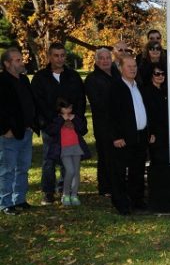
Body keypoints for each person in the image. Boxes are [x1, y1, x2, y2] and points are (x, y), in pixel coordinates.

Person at [31, 42, 87, 205]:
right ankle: (48, 192)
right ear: (49, 56)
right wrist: (54, 121)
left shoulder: (73, 76)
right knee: (49, 160)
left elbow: (80, 100)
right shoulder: (41, 78)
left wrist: (73, 120)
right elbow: (38, 103)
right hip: (51, 126)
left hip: (70, 125)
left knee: (67, 159)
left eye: (63, 55)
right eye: (56, 55)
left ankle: (65, 189)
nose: (60, 58)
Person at [109, 56, 150, 214]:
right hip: (123, 139)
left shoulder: (138, 85)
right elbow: (110, 115)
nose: (133, 69)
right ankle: (120, 202)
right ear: (120, 68)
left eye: (134, 66)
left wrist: (148, 131)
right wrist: (116, 136)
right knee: (120, 172)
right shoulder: (116, 87)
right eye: (129, 66)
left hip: (139, 136)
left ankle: (137, 200)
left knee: (137, 171)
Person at [0, 48, 36, 215]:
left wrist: (32, 123)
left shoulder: (24, 80)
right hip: (9, 134)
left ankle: (19, 199)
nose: (22, 62)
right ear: (7, 64)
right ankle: (5, 202)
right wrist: (4, 130)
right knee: (8, 169)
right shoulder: (1, 81)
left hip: (26, 132)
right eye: (17, 60)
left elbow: (29, 103)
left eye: (21, 59)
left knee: (23, 167)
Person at [84, 48, 117, 196]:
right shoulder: (92, 79)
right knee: (105, 155)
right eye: (101, 58)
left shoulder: (116, 74)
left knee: (116, 156)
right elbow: (97, 103)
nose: (105, 61)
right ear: (96, 61)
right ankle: (105, 187)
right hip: (103, 123)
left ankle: (116, 183)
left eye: (107, 58)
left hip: (118, 123)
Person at [46, 99, 91, 206]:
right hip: (64, 149)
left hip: (76, 148)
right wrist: (62, 120)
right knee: (70, 171)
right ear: (60, 108)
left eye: (70, 107)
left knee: (76, 172)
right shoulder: (56, 119)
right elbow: (51, 131)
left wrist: (75, 120)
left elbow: (83, 130)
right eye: (65, 108)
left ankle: (74, 195)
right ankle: (65, 194)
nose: (68, 110)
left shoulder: (75, 117)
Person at [140, 63, 170, 166]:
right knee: (157, 160)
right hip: (155, 133)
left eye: (163, 73)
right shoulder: (146, 92)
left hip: (167, 131)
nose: (160, 76)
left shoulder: (166, 90)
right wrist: (151, 132)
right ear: (151, 75)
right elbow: (147, 113)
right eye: (157, 74)